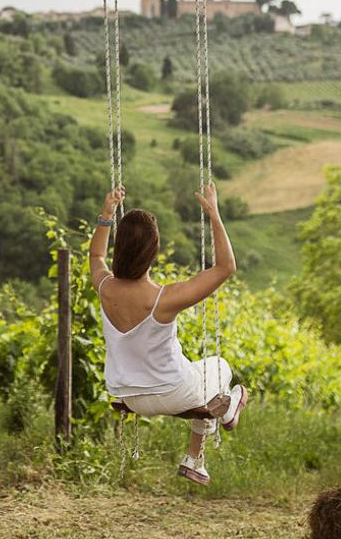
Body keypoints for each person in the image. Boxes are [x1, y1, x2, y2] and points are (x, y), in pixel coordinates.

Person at [89, 182, 246, 486]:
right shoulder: (165, 299)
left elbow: (96, 257)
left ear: (119, 248)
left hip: (129, 396)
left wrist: (106, 215)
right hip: (174, 393)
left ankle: (196, 461)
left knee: (201, 381)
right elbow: (226, 267)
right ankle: (226, 415)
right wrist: (214, 213)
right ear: (153, 252)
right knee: (219, 368)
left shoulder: (105, 288)